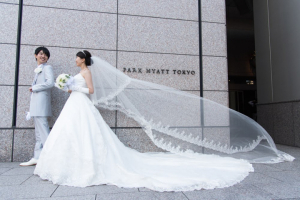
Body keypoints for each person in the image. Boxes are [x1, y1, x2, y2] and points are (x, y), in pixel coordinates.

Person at [34, 50, 293, 192]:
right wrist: (67, 86)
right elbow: (77, 90)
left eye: (78, 57)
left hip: (82, 105)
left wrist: (73, 87)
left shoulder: (87, 72)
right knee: (70, 134)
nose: (76, 59)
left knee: (86, 135)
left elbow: (90, 92)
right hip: (74, 106)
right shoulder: (77, 73)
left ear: (84, 59)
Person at [20, 47, 54, 166]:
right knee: (38, 134)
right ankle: (37, 157)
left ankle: (52, 157)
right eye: (41, 54)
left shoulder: (47, 68)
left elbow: (50, 83)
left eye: (45, 55)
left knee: (44, 133)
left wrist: (34, 88)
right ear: (35, 55)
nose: (43, 56)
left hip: (41, 106)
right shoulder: (38, 69)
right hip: (36, 106)